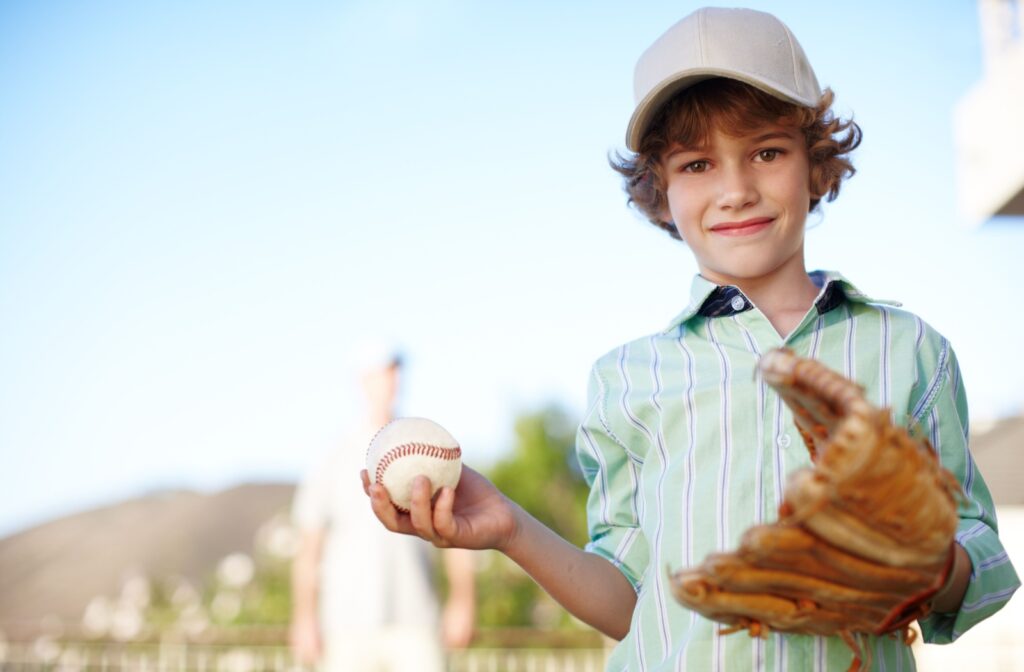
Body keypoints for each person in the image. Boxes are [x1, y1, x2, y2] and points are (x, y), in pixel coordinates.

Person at [363, 7, 1020, 670]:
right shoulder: (626, 378)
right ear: (660, 188)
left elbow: (984, 559)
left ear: (815, 161)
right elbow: (630, 601)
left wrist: (923, 566)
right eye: (699, 164)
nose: (735, 190)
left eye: (767, 151)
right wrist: (511, 529)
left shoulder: (909, 351)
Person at [291, 345, 475, 672]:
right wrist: (304, 618)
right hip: (345, 623)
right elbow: (310, 548)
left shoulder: (429, 449)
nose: (391, 381)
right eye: (381, 373)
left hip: (415, 617)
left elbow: (456, 530)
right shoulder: (333, 456)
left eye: (394, 372)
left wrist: (462, 601)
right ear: (362, 381)